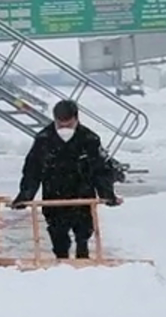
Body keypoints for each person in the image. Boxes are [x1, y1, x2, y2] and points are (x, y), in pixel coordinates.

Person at [11, 99, 123, 259]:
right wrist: (25, 195)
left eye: (68, 125)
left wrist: (107, 194)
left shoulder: (89, 139)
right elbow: (32, 170)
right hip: (54, 194)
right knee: (58, 235)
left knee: (83, 231)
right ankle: (61, 262)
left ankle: (83, 257)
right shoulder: (44, 139)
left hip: (82, 194)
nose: (64, 129)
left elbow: (100, 171)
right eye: (60, 125)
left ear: (76, 119)